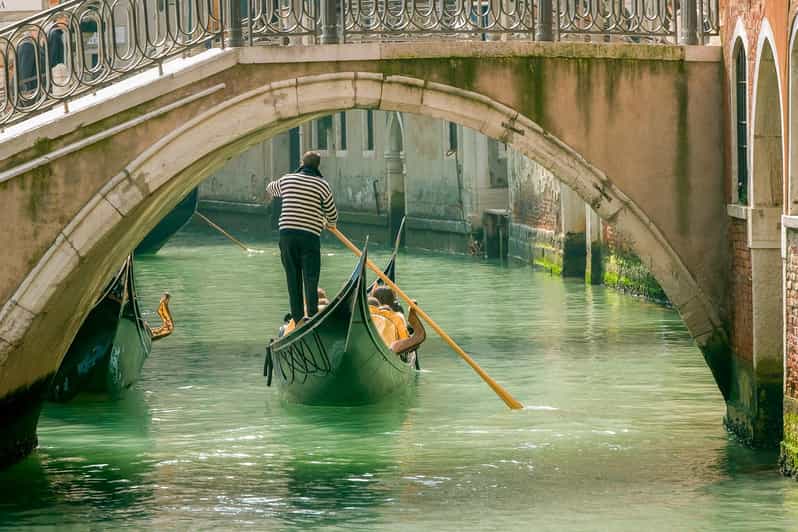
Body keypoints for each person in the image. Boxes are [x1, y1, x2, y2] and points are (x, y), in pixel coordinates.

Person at [267, 151, 338, 326]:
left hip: (287, 235)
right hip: (309, 237)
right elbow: (332, 214)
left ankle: (298, 319)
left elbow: (270, 188)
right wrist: (328, 222)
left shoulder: (288, 179)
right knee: (311, 277)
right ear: (318, 166)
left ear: (301, 163)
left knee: (293, 277)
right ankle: (312, 316)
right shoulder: (322, 185)